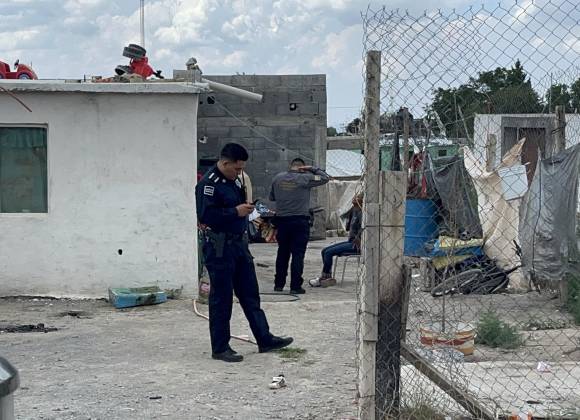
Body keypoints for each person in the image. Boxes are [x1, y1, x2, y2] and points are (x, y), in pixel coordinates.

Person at [196, 143, 293, 363]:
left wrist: (246, 210)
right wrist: (235, 212)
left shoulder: (235, 181)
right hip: (220, 248)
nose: (239, 172)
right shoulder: (208, 185)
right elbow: (206, 216)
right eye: (236, 168)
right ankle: (220, 347)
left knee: (250, 294)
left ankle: (264, 338)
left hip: (239, 245)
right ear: (225, 163)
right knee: (222, 298)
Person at [269, 158, 330, 293]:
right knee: (298, 254)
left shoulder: (277, 178)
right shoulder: (306, 178)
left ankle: (279, 284)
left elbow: (272, 198)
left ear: (290, 166)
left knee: (282, 253)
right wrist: (311, 168)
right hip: (299, 222)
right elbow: (325, 178)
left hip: (282, 222)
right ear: (302, 168)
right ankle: (295, 286)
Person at [309, 193, 363, 287]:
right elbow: (347, 227)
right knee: (324, 251)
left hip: (356, 244)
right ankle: (327, 276)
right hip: (351, 241)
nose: (354, 199)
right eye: (355, 197)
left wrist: (359, 239)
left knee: (328, 253)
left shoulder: (362, 213)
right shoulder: (354, 211)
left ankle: (324, 278)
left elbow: (362, 229)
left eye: (358, 198)